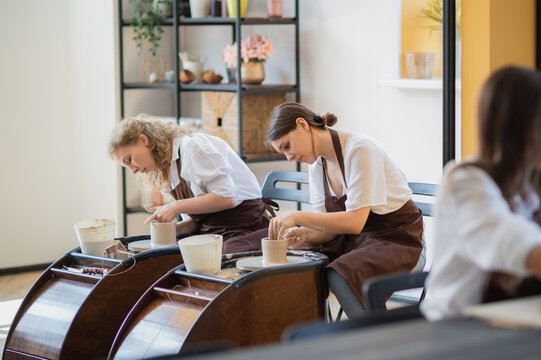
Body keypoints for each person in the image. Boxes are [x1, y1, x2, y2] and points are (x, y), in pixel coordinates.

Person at [267, 102, 424, 318]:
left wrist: (296, 216)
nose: (289, 157)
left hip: (398, 239)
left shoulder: (360, 149)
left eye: (287, 146)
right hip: (356, 240)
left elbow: (354, 222)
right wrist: (303, 234)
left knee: (340, 275)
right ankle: (319, 337)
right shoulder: (317, 167)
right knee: (302, 264)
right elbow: (329, 231)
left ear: (302, 125)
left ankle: (372, 341)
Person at [421, 66, 541, 321]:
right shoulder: (465, 182)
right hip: (458, 334)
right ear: (521, 130)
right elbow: (507, 240)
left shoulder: (532, 185)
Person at [108, 115, 274, 253]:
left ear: (143, 140)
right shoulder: (166, 171)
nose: (133, 171)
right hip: (214, 232)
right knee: (165, 255)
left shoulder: (191, 148)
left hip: (244, 227)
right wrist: (175, 229)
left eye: (129, 160)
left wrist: (176, 207)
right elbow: (197, 221)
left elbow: (226, 198)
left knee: (206, 260)